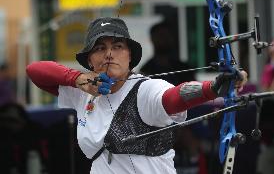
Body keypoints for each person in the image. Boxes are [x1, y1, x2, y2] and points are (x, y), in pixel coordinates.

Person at [26, 17, 247, 174]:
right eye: (100, 48)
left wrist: (213, 87)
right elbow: (35, 70)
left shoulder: (146, 90)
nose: (109, 53)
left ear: (130, 56)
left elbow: (173, 98)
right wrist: (76, 78)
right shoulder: (83, 93)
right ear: (90, 60)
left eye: (118, 46)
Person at [140, 20, 195, 85]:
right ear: (152, 39)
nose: (165, 39)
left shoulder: (184, 69)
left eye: (168, 36)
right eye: (161, 36)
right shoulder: (146, 70)